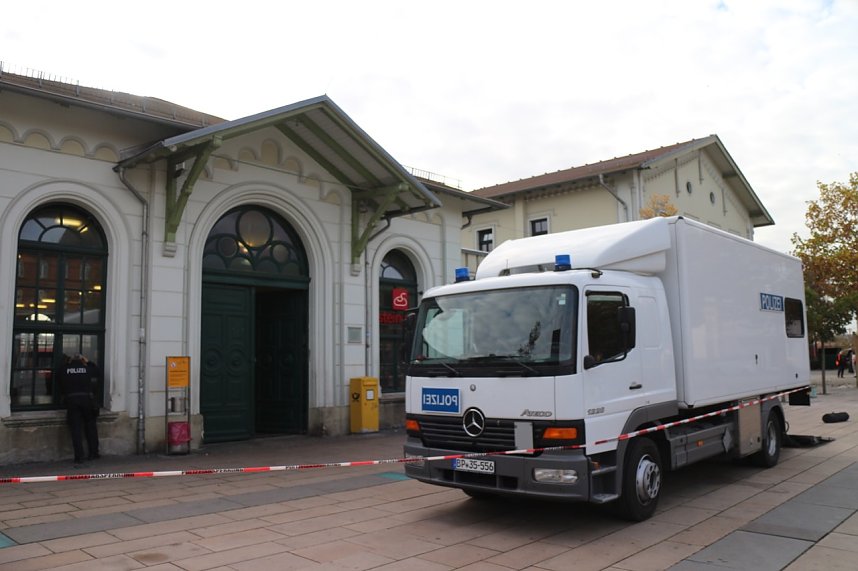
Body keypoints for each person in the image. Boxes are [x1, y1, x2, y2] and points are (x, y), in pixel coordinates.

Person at [59, 353, 100, 464]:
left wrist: (67, 363)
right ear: (82, 360)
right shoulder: (87, 368)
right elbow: (97, 372)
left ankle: (79, 456)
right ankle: (93, 453)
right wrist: (88, 362)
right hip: (87, 400)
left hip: (72, 400)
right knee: (91, 427)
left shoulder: (65, 369)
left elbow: (59, 376)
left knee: (76, 429)